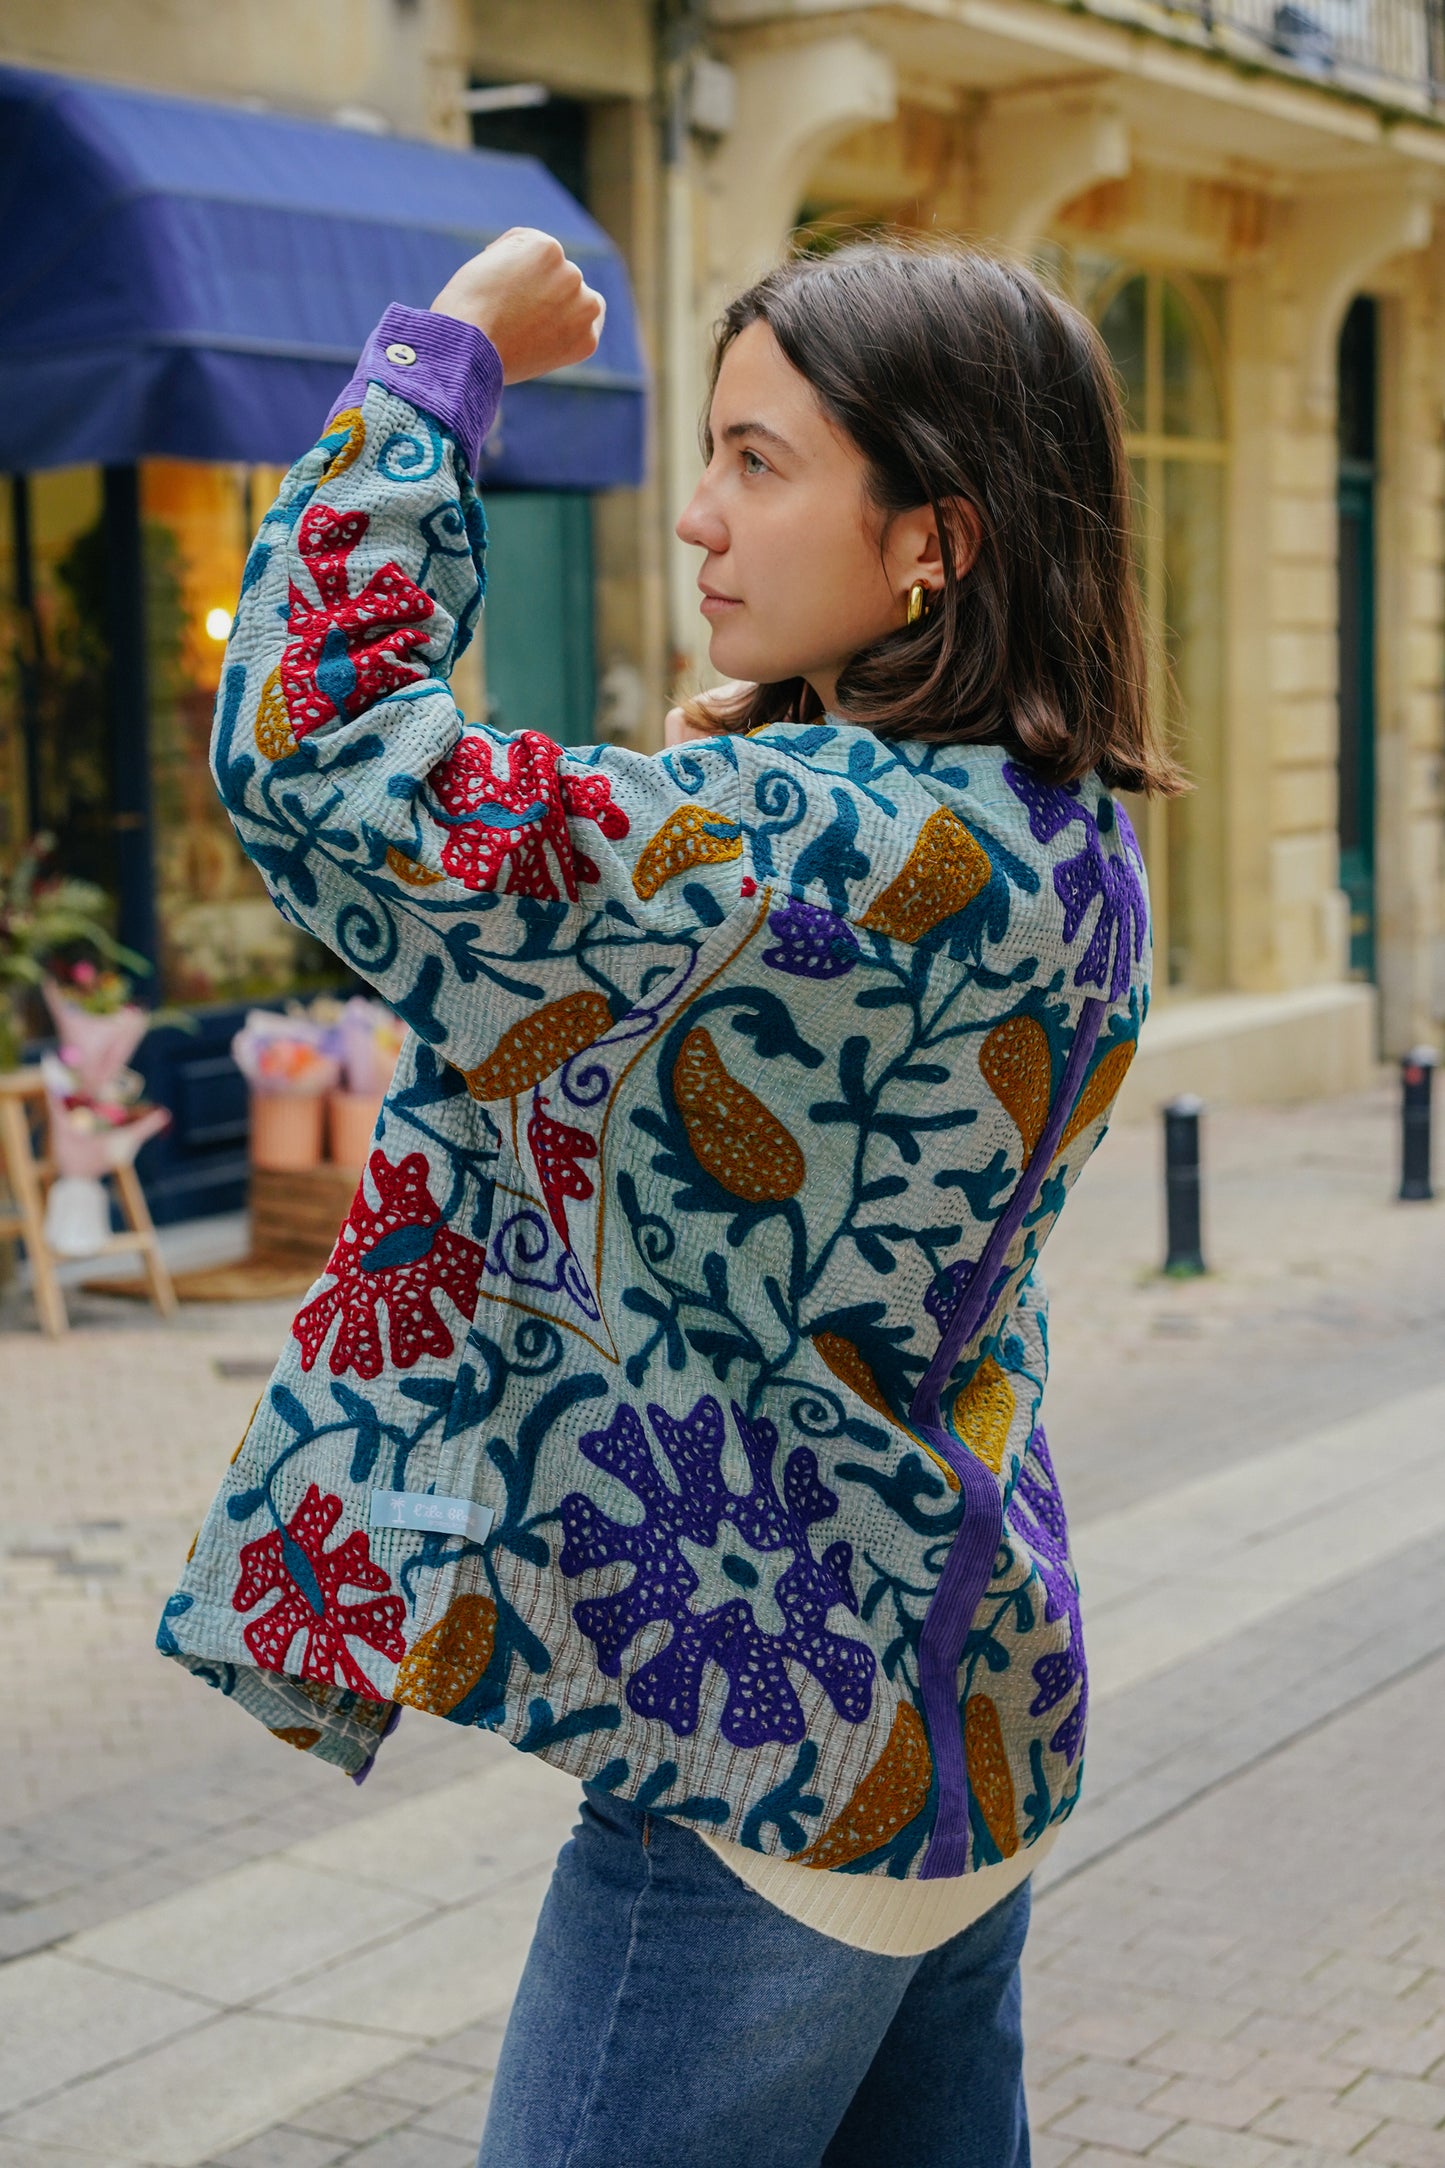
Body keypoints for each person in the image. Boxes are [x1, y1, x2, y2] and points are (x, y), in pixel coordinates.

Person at [159, 227, 1178, 2168]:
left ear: (931, 541)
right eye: (704, 454)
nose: (697, 516)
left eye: (758, 460)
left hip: (764, 1801)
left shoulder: (814, 852)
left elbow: (318, 764)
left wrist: (447, 361)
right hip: (957, 1717)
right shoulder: (1059, 838)